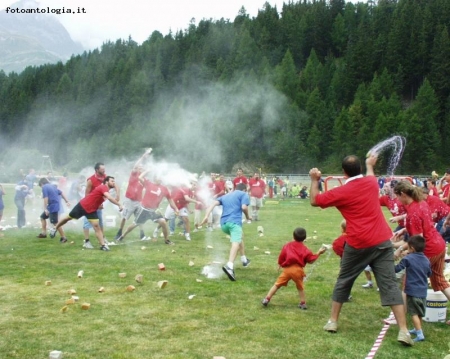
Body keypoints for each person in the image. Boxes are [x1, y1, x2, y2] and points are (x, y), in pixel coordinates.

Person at [309, 154, 414, 346]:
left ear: (343, 172)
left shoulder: (341, 191)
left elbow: (315, 201)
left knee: (344, 280)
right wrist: (369, 164)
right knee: (390, 284)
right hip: (382, 240)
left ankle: (332, 321)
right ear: (360, 169)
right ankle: (404, 331)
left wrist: (315, 180)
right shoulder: (371, 183)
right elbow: (371, 173)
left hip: (358, 242)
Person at [392, 181, 450, 320]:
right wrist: (405, 230)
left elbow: (418, 241)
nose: (397, 200)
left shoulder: (413, 212)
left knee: (408, 281)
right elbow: (426, 224)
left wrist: (400, 249)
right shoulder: (421, 203)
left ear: (403, 194)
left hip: (428, 249)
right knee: (439, 280)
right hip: (439, 245)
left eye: (398, 196)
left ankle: (399, 318)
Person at [261, 227, 326, 309]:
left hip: (288, 270)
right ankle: (303, 303)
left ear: (293, 236)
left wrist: (280, 264)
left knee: (277, 284)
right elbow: (311, 260)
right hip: (298, 270)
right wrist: (319, 253)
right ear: (305, 238)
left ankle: (267, 299)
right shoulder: (305, 249)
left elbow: (282, 255)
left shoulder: (287, 245)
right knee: (300, 287)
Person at [54, 176, 123, 251]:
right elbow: (109, 198)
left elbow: (97, 197)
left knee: (97, 226)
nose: (114, 183)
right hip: (83, 206)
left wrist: (99, 205)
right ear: (106, 182)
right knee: (68, 218)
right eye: (112, 181)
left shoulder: (105, 189)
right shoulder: (103, 187)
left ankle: (103, 245)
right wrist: (119, 204)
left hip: (92, 210)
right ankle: (55, 228)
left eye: (114, 181)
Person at [201, 183, 251, 281]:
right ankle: (229, 266)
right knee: (235, 242)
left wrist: (206, 216)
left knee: (240, 236)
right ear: (244, 189)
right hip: (234, 223)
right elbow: (244, 207)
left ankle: (244, 259)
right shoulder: (244, 194)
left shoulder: (226, 195)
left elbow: (213, 204)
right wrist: (248, 217)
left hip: (224, 225)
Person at [117, 169, 178, 245]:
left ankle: (167, 240)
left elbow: (170, 200)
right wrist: (147, 171)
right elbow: (139, 177)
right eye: (158, 177)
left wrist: (175, 208)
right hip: (145, 210)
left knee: (163, 222)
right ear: (155, 178)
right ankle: (122, 236)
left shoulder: (164, 188)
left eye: (161, 178)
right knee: (135, 224)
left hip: (154, 211)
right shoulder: (149, 183)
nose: (160, 179)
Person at [394, 235, 431, 343]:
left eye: (407, 248)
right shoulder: (426, 260)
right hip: (423, 291)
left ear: (412, 249)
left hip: (412, 291)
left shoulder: (408, 258)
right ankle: (417, 329)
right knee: (419, 312)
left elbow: (397, 269)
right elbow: (429, 273)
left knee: (413, 313)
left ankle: (420, 334)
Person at [114, 149, 151, 240]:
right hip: (130, 200)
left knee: (140, 218)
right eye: (140, 168)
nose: (141, 169)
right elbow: (135, 165)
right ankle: (119, 231)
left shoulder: (144, 178)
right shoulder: (134, 174)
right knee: (124, 217)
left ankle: (142, 235)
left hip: (138, 201)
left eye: (142, 168)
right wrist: (143, 156)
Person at [82, 162, 120, 249]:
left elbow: (116, 185)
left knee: (100, 222)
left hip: (99, 205)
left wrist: (118, 195)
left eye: (104, 169)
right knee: (87, 223)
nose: (104, 170)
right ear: (97, 170)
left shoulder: (105, 178)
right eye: (102, 169)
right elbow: (87, 195)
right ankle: (86, 241)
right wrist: (94, 204)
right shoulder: (91, 180)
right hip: (90, 205)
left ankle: (102, 239)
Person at [37, 177, 70, 242]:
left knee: (55, 222)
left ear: (42, 183)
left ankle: (63, 237)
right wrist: (67, 201)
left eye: (40, 186)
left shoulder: (44, 187)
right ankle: (44, 233)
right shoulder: (52, 186)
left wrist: (45, 208)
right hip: (52, 205)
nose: (41, 188)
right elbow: (61, 193)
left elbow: (45, 198)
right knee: (42, 217)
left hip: (53, 206)